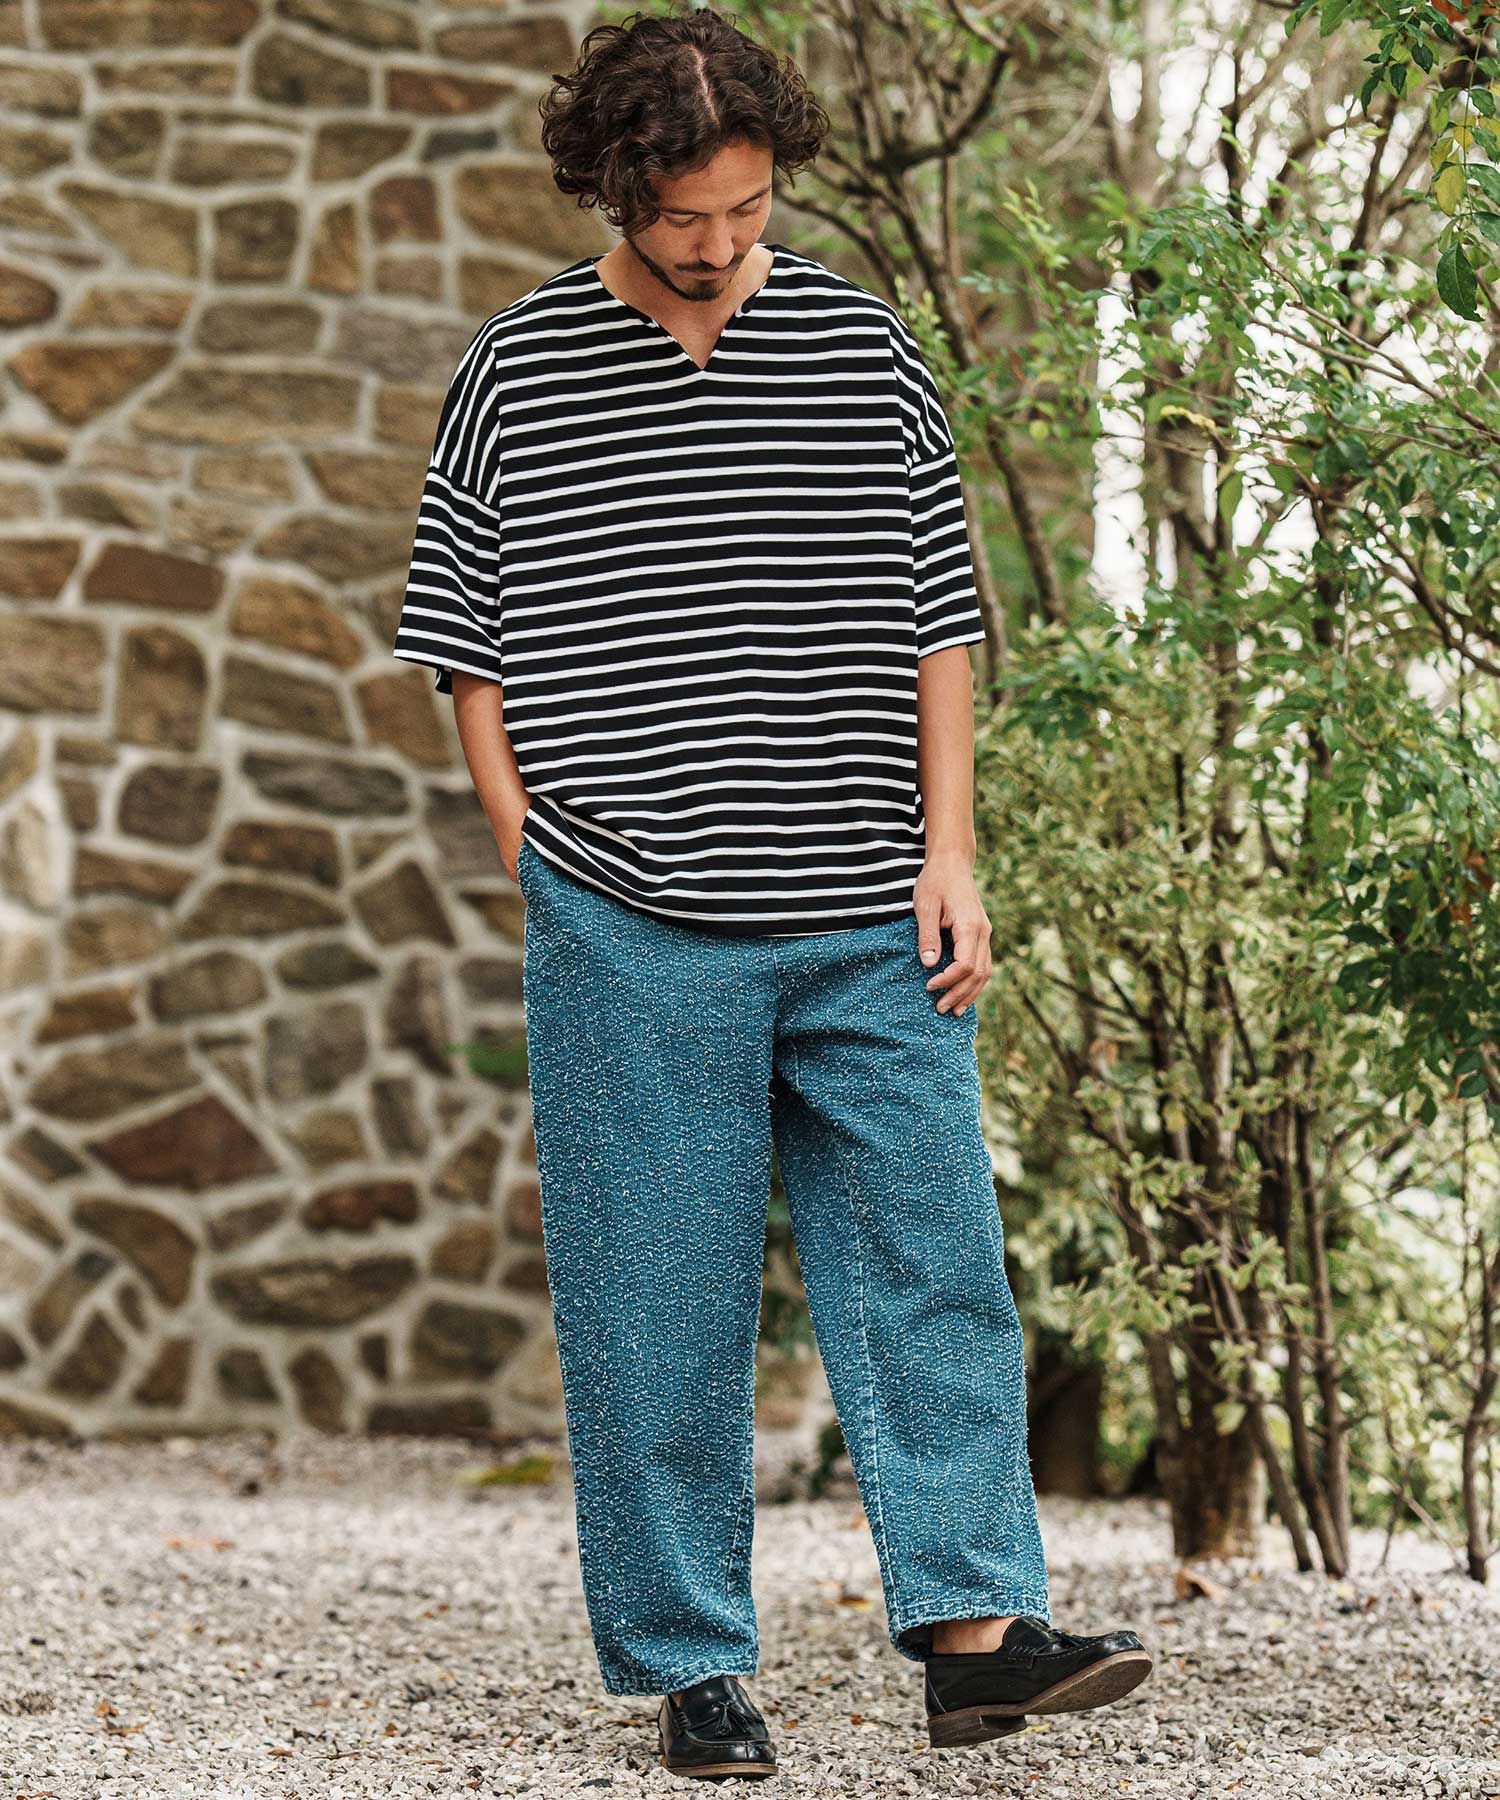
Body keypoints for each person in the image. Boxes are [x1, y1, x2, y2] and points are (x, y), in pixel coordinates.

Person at [392, 6, 1152, 1778]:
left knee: (934, 1265)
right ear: (615, 189)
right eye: (686, 219)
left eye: (747, 211)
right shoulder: (517, 368)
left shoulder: (862, 348)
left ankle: (974, 1640)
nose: (721, 246)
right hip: (629, 917)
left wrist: (950, 849)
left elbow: (939, 613)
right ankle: (694, 1670)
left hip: (869, 912)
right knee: (656, 1301)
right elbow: (460, 632)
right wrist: (526, 843)